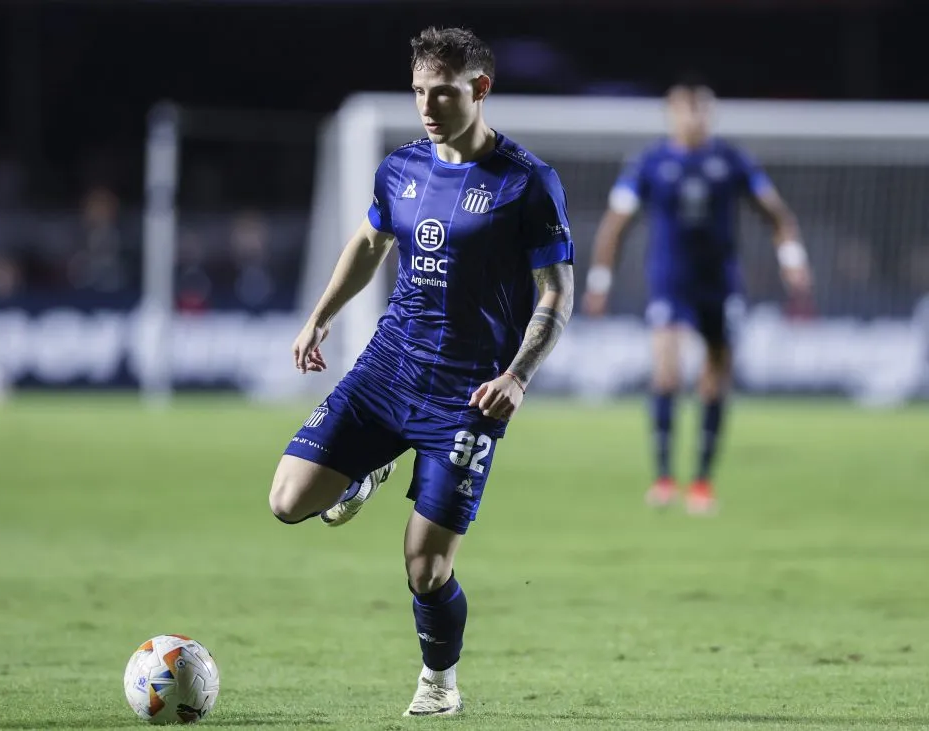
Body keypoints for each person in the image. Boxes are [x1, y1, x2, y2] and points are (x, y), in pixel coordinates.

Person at [268, 26, 575, 716]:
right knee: (287, 501)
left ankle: (440, 682)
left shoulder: (527, 183)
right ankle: (368, 465)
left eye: (442, 91)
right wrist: (320, 315)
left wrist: (518, 376)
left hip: (468, 397)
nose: (428, 105)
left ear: (480, 89)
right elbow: (372, 240)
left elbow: (557, 293)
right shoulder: (400, 169)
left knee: (427, 568)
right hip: (388, 369)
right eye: (418, 92)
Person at [582, 80, 812, 515]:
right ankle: (665, 477)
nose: (695, 118)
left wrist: (792, 257)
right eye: (687, 110)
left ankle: (703, 482)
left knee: (714, 378)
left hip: (720, 283)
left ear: (711, 114)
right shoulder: (649, 162)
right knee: (666, 373)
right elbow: (616, 224)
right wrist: (599, 280)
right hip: (669, 282)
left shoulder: (731, 160)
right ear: (672, 115)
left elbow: (775, 214)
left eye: (702, 110)